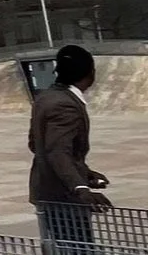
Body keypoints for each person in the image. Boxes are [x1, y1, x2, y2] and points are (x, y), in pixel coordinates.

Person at [28, 43, 112, 211]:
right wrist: (80, 187)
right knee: (73, 238)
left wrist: (84, 172)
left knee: (56, 238)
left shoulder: (45, 98)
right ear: (90, 73)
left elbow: (35, 143)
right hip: (65, 198)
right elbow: (58, 151)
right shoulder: (66, 105)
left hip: (45, 192)